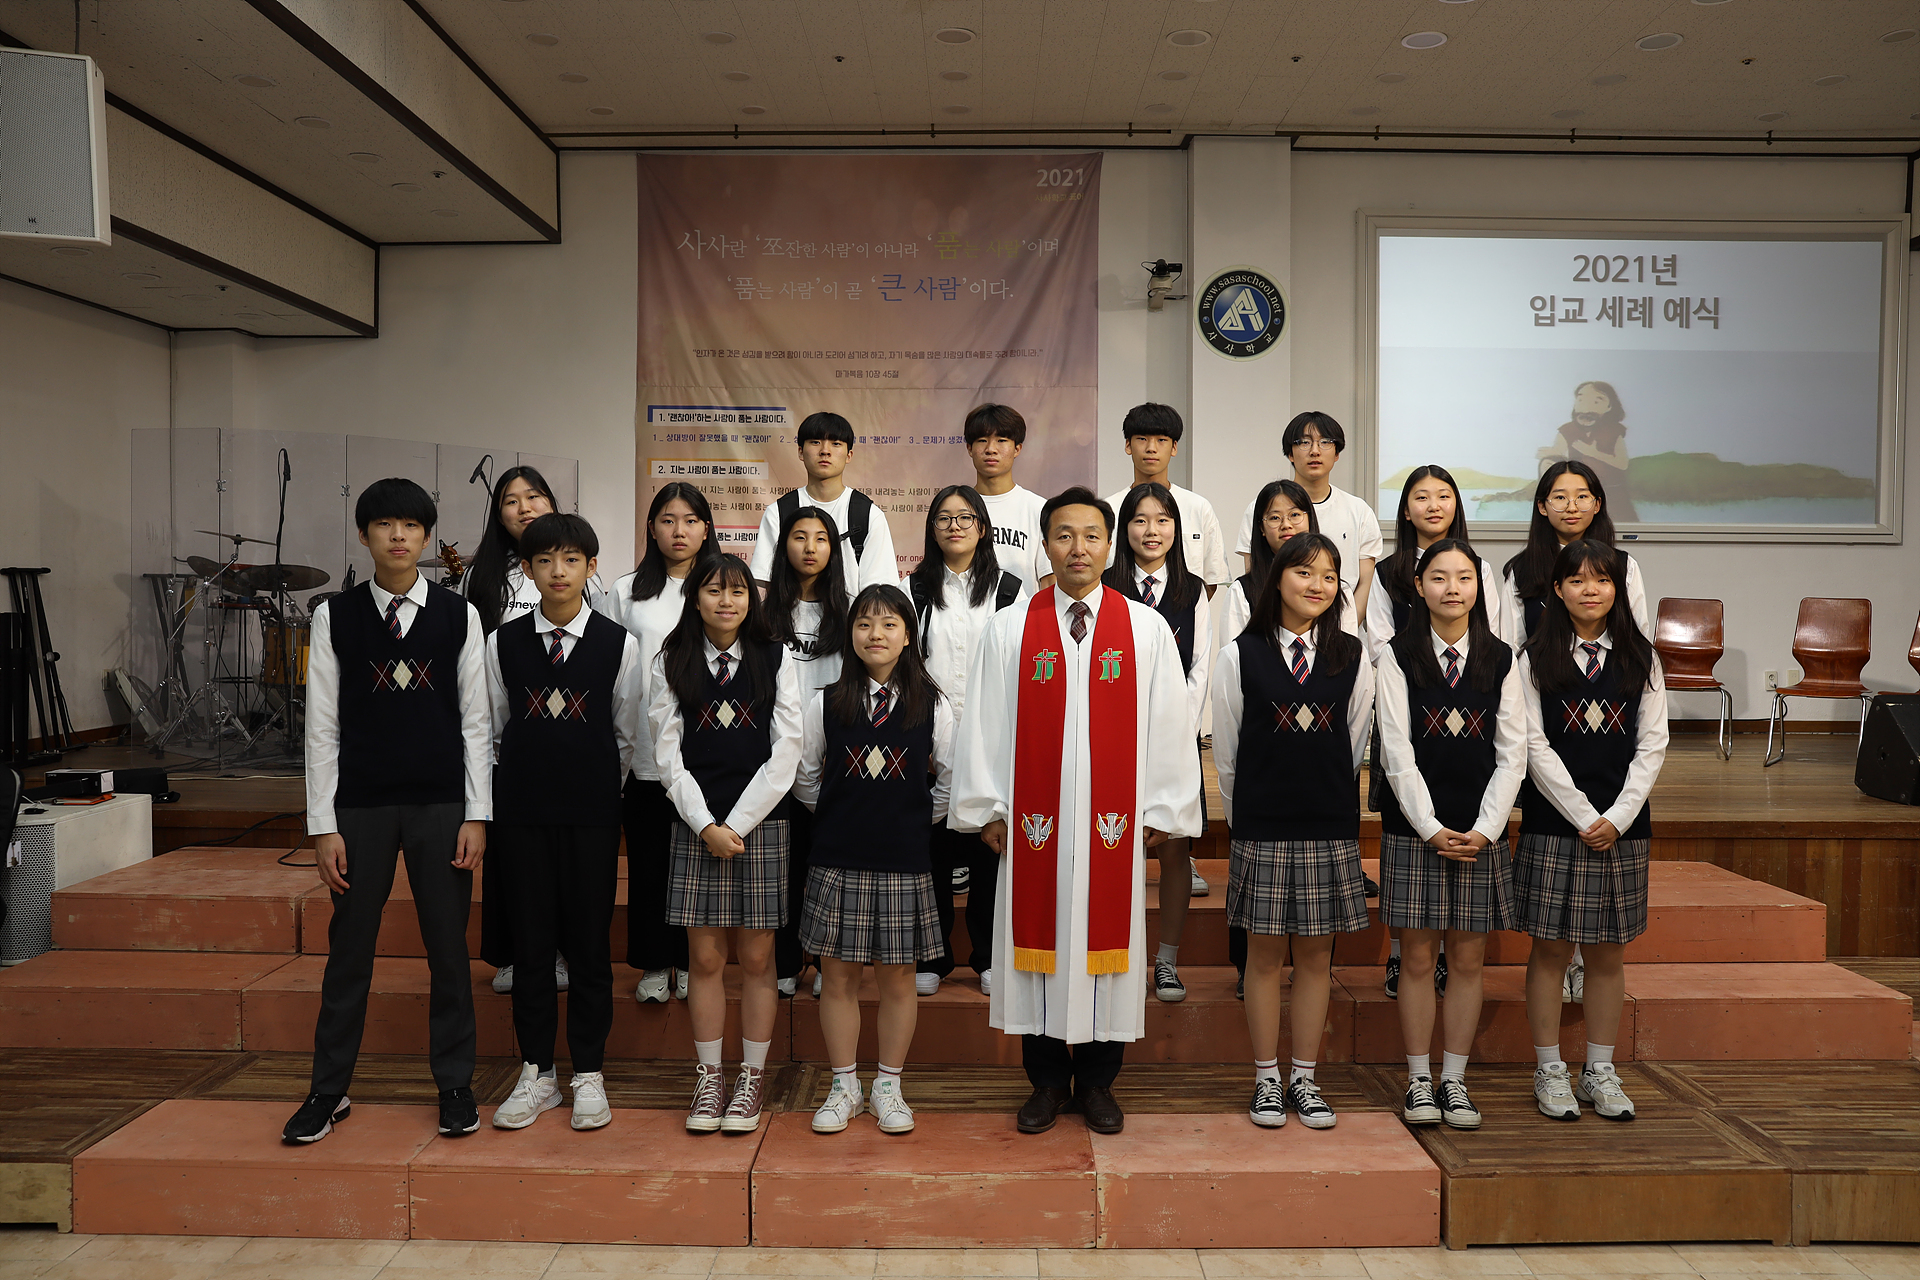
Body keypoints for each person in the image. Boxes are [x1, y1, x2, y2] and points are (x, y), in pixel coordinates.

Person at [951, 486, 1203, 1137]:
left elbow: (1170, 723)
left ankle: (1096, 1083)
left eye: (1091, 535)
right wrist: (988, 807)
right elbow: (984, 722)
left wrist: (1162, 806)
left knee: (1104, 952)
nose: (1078, 548)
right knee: (1036, 952)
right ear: (1045, 544)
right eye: (1064, 535)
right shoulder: (1011, 628)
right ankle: (1044, 1083)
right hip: (1035, 824)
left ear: (1109, 545)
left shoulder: (1143, 630)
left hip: (1110, 827)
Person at [284, 478, 490, 1145]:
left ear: (426, 537)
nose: (398, 536)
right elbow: (320, 728)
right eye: (384, 525)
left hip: (442, 806)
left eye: (410, 526)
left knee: (448, 952)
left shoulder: (459, 615)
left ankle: (454, 1084)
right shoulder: (334, 616)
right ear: (364, 534)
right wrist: (323, 826)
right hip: (361, 809)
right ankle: (328, 1090)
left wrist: (477, 814)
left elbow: (476, 722)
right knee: (349, 952)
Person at [485, 514, 643, 1133]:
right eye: (545, 560)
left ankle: (589, 1074)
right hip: (522, 814)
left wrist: (594, 789)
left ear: (591, 567)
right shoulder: (502, 642)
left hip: (591, 816)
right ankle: (537, 1073)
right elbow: (496, 730)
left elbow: (625, 736)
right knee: (530, 946)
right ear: (527, 569)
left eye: (572, 559)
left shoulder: (618, 644)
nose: (558, 571)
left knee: (588, 946)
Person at [1213, 533, 1372, 1131]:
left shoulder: (1351, 655)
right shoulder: (1240, 654)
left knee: (1315, 958)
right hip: (1262, 824)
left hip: (1327, 823)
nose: (1317, 585)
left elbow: (1353, 743)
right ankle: (1265, 1079)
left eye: (1330, 576)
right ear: (1277, 578)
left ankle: (1304, 1078)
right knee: (1261, 957)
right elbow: (1228, 752)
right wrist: (1243, 820)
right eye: (1304, 572)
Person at [1374, 539, 1526, 1133]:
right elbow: (1395, 750)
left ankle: (1454, 1080)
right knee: (1416, 957)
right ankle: (1419, 1079)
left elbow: (1512, 753)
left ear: (1478, 587)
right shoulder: (1396, 655)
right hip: (1416, 829)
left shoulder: (1501, 657)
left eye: (1464, 577)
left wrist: (1487, 829)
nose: (1452, 588)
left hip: (1480, 831)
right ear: (1418, 586)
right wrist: (1431, 827)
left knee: (1467, 958)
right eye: (1439, 577)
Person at [652, 554, 805, 1134]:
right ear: (695, 597)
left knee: (759, 958)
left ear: (751, 600)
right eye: (714, 591)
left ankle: (751, 1078)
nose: (726, 601)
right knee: (706, 958)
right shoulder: (672, 658)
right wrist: (705, 825)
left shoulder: (776, 657)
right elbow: (666, 754)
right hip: (696, 822)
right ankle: (711, 1077)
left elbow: (787, 750)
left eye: (737, 591)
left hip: (758, 824)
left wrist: (735, 825)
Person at [794, 585, 955, 1136]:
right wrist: (843, 817)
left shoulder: (933, 704)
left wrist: (911, 820)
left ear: (908, 636)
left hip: (904, 859)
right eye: (864, 624)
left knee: (899, 980)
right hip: (837, 857)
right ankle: (844, 1086)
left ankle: (888, 1086)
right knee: (837, 978)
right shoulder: (825, 702)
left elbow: (949, 781)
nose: (876, 634)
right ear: (850, 634)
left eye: (889, 624)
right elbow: (806, 777)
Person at [1516, 540, 1667, 1124]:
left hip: (1623, 828)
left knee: (1607, 952)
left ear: (1616, 589)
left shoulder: (1640, 656)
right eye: (1576, 580)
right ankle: (1549, 1067)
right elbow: (1533, 744)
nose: (1590, 590)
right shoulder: (1533, 657)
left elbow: (1653, 743)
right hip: (1555, 824)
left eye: (1601, 580)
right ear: (1556, 590)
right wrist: (1582, 814)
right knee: (1551, 949)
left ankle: (1599, 1069)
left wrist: (1619, 816)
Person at [1499, 462, 1651, 1007]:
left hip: (1607, 711)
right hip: (1543, 709)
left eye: (1581, 495)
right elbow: (1508, 642)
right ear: (1541, 507)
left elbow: (1637, 636)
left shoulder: (1625, 566)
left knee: (1603, 915)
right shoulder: (1520, 570)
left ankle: (1586, 964)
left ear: (1598, 503)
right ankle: (1561, 964)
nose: (1571, 506)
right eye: (1558, 497)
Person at [464, 464, 599, 997]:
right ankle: (514, 955)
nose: (524, 507)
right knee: (513, 863)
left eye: (534, 496)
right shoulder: (484, 575)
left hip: (574, 732)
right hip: (515, 727)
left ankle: (563, 953)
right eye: (511, 500)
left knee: (567, 869)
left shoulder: (588, 575)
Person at [905, 485, 1026, 997]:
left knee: (989, 850)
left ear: (982, 528)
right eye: (944, 518)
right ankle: (932, 956)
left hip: (993, 735)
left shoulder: (1010, 590)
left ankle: (988, 956)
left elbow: (1022, 663)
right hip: (926, 738)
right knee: (930, 852)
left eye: (965, 517)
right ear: (931, 529)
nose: (954, 526)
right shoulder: (912, 588)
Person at [599, 482, 715, 1005]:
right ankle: (652, 962)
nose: (678, 531)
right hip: (644, 753)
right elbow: (609, 669)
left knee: (698, 866)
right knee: (649, 864)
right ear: (651, 528)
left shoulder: (721, 586)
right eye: (667, 520)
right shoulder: (626, 591)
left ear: (706, 528)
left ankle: (690, 962)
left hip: (706, 751)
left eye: (690, 520)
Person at [1103, 484, 1211, 1004]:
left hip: (1172, 743)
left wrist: (1172, 733)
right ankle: (1112, 955)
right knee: (1110, 851)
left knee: (1173, 852)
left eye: (1163, 520)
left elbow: (1200, 668)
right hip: (1111, 743)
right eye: (1140, 520)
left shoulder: (1194, 590)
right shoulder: (1106, 587)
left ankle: (1166, 961)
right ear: (1124, 529)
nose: (1152, 531)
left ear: (1177, 529)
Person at [763, 505, 851, 996]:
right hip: (774, 758)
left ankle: (824, 963)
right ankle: (785, 962)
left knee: (827, 865)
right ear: (784, 546)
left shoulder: (851, 610)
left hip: (833, 758)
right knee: (783, 866)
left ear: (834, 550)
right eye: (799, 536)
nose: (810, 547)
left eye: (821, 538)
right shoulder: (763, 610)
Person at [1236, 411, 1382, 629]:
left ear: (1337, 453)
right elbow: (1255, 575)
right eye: (1304, 442)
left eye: (1325, 442)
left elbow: (1365, 584)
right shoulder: (1260, 508)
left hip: (1339, 628)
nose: (1315, 451)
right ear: (1290, 453)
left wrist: (1343, 630)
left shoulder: (1359, 511)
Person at [749, 411, 898, 596]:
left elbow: (878, 592)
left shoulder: (868, 515)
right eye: (815, 442)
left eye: (836, 444)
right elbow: (770, 583)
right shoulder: (778, 512)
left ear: (849, 455)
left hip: (850, 615)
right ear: (800, 452)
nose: (825, 451)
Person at [1368, 466, 1508, 656]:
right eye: (1422, 498)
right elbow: (1379, 649)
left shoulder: (1480, 569)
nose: (1434, 506)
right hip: (1403, 672)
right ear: (1406, 511)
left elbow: (1489, 638)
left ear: (1456, 506)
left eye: (1443, 497)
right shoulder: (1386, 572)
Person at [1102, 403, 1231, 598]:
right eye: (1142, 439)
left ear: (1174, 447)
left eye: (1161, 440)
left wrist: (1182, 610)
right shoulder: (1108, 509)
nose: (1151, 448)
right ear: (1128, 445)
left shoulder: (1198, 507)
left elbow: (1210, 579)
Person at [1220, 479, 1321, 643]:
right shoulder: (1242, 592)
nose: (1286, 525)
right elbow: (1233, 654)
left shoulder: (1335, 588)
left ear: (1309, 518)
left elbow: (1345, 650)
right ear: (1261, 528)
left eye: (1295, 515)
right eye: (1275, 517)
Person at [964, 403, 1051, 592]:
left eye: (1001, 440)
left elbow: (1049, 582)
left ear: (1017, 449)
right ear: (969, 448)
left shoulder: (1037, 509)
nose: (991, 449)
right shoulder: (956, 508)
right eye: (982, 440)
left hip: (1022, 611)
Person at [1538, 381, 1637, 523]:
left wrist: (1592, 452)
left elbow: (1622, 463)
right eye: (1581, 400)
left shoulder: (1614, 430)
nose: (1587, 406)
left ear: (1609, 407)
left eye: (1596, 401)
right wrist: (1549, 457)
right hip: (1578, 499)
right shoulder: (1567, 430)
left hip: (1613, 495)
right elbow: (1558, 454)